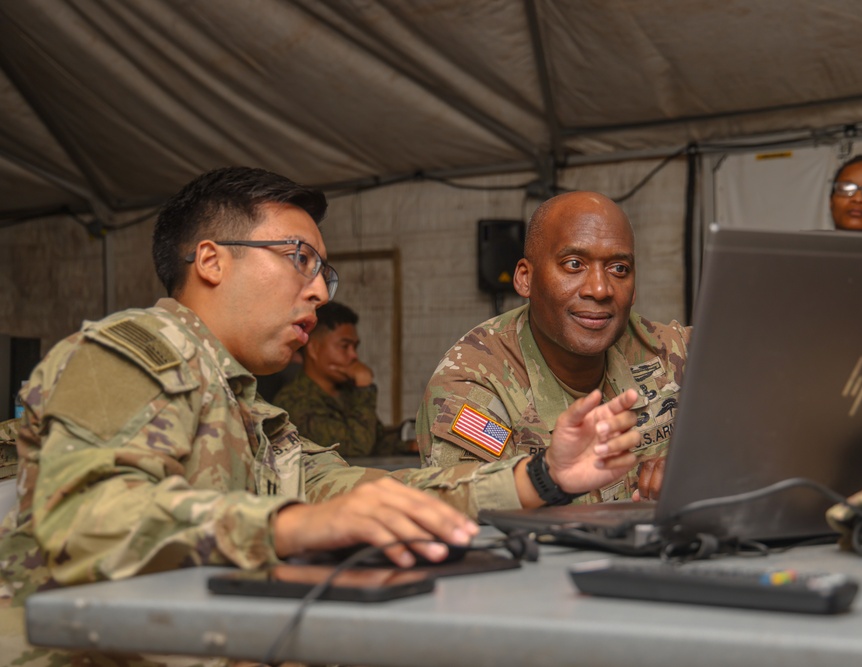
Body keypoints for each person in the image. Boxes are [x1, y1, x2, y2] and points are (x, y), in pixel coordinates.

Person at [0, 167, 641, 665]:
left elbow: (357, 491)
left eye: (324, 272)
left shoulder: (248, 407)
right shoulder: (138, 352)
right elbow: (85, 518)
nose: (318, 290)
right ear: (212, 260)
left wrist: (541, 477)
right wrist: (296, 524)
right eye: (299, 258)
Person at [416, 191, 691, 504]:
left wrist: (692, 473)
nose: (600, 289)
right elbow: (466, 512)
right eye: (574, 264)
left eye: (618, 269)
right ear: (525, 278)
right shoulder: (474, 383)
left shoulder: (670, 352)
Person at [273, 300, 415, 460]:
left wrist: (409, 446)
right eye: (344, 346)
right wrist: (364, 388)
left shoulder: (346, 391)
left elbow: (374, 439)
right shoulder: (293, 402)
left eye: (355, 347)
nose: (354, 355)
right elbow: (358, 448)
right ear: (314, 349)